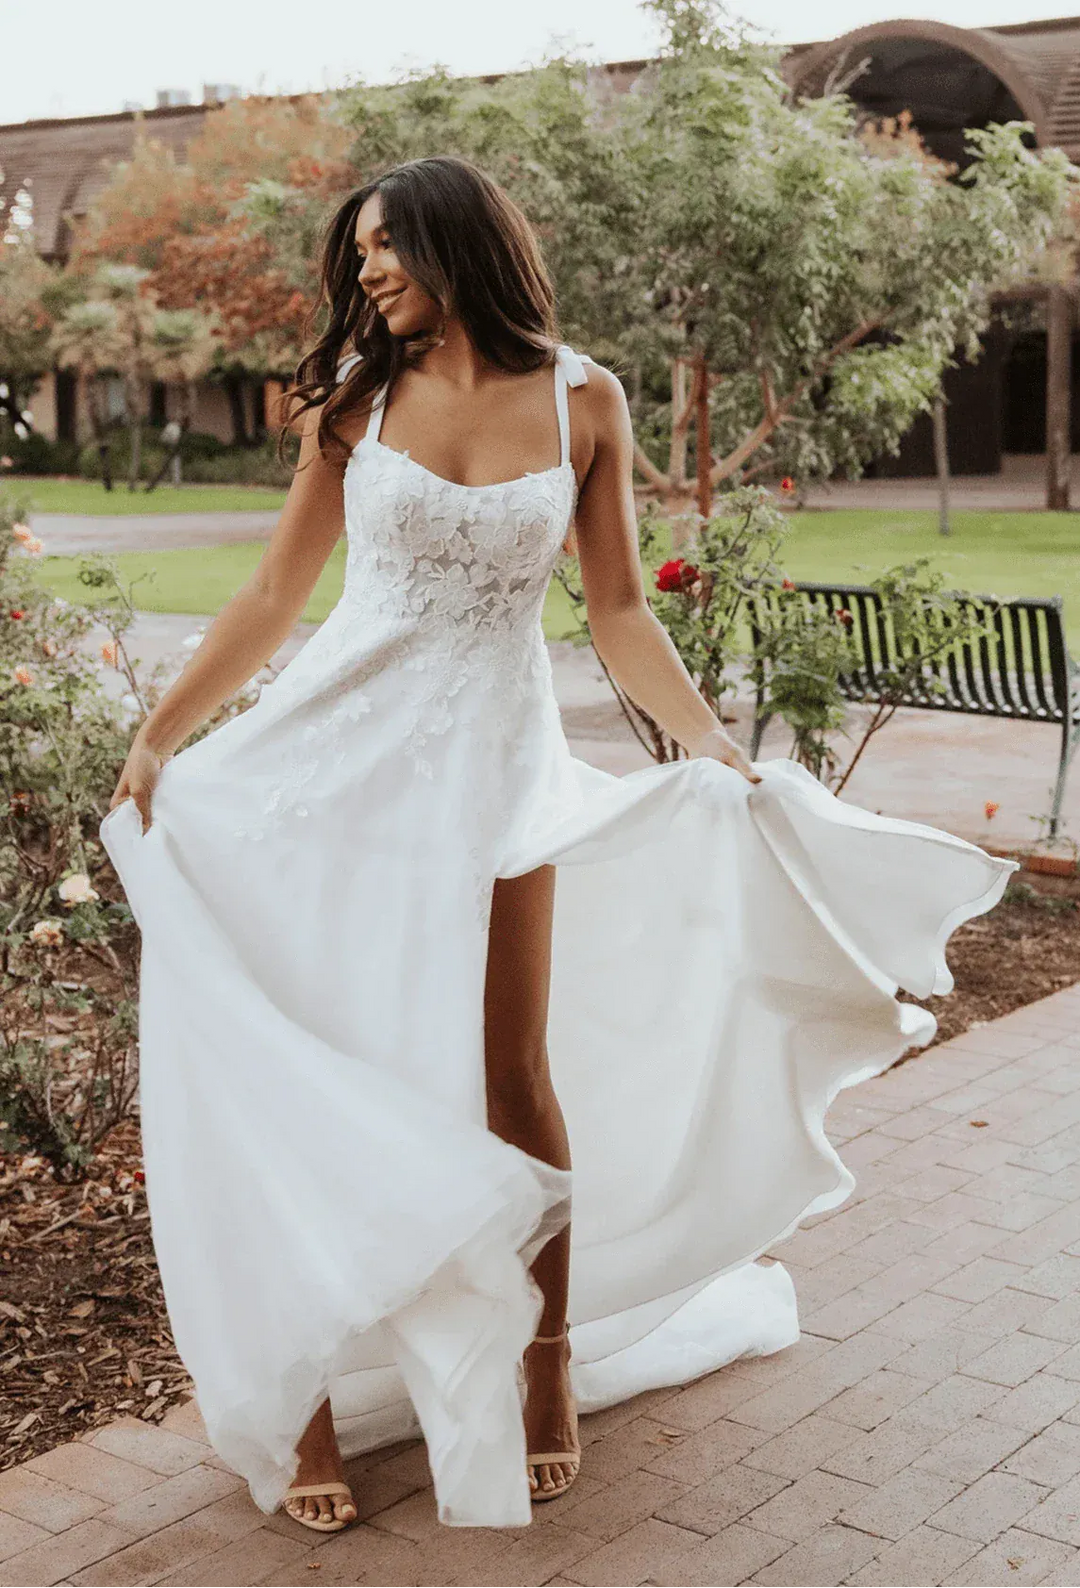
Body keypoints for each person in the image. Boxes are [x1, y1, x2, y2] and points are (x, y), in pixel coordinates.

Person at [101, 154, 1014, 1535]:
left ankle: (544, 1365)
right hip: (331, 771)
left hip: (494, 774)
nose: (366, 273)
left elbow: (618, 610)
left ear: (457, 244)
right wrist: (164, 731)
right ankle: (302, 1397)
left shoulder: (586, 398)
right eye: (358, 255)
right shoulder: (355, 399)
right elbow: (281, 589)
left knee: (512, 1076)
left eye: (386, 248)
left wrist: (709, 745)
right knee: (320, 1069)